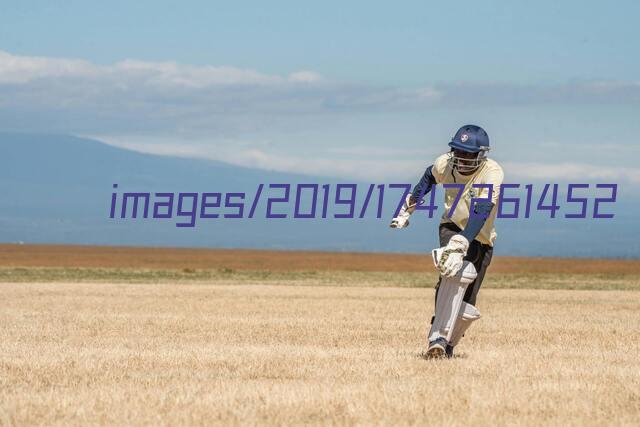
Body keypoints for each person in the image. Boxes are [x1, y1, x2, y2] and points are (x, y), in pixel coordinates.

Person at [390, 124, 504, 358]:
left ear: (480, 155)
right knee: (455, 272)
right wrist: (406, 210)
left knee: (467, 304)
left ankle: (447, 345)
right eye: (458, 152)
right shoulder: (445, 163)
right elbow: (427, 179)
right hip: (451, 226)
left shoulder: (492, 172)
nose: (462, 158)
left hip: (479, 236)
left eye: (468, 154)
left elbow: (481, 212)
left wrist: (464, 241)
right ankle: (438, 337)